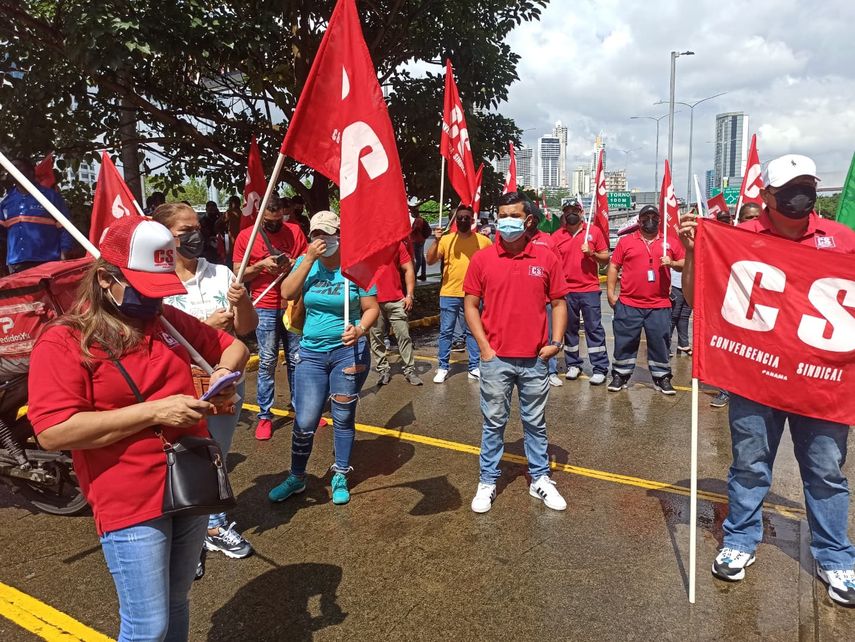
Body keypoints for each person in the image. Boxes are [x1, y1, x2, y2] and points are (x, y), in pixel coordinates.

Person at [27, 215, 249, 641]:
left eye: (159, 290)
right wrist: (154, 413)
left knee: (178, 600)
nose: (154, 302)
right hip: (127, 497)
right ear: (107, 279)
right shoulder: (64, 342)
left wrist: (221, 376)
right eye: (145, 290)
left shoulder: (164, 323)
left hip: (190, 479)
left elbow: (234, 344)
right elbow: (53, 431)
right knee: (148, 626)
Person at [678, 153, 855, 606]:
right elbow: (701, 303)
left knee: (825, 472)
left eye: (807, 186)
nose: (803, 196)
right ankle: (739, 540)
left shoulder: (842, 240)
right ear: (767, 197)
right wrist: (697, 251)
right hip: (756, 379)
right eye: (790, 188)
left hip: (822, 383)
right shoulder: (737, 239)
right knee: (750, 465)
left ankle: (835, 557)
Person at [154, 203, 258, 567]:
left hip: (225, 386)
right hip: (179, 388)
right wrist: (209, 326)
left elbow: (246, 329)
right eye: (185, 230)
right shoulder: (157, 281)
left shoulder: (221, 274)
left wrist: (242, 301)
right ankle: (189, 541)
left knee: (217, 458)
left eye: (197, 227)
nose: (196, 235)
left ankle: (212, 526)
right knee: (182, 462)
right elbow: (157, 340)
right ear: (166, 236)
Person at [464, 192, 570, 513]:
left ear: (527, 220)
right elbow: (469, 305)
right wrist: (484, 347)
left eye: (513, 215)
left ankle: (540, 478)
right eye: (502, 215)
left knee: (534, 421)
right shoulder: (482, 259)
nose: (505, 221)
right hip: (496, 359)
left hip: (535, 359)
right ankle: (487, 481)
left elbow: (559, 302)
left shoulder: (545, 257)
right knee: (494, 422)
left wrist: (556, 341)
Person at [268, 211, 379, 506]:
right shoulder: (309, 266)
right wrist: (306, 260)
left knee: (343, 415)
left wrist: (360, 328)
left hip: (348, 352)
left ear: (340, 235)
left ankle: (340, 472)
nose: (323, 240)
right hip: (311, 352)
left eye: (328, 234)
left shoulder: (356, 267)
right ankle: (297, 477)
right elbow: (286, 293)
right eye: (317, 234)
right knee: (305, 420)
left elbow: (371, 308)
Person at [233, 194, 308, 440]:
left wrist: (296, 263)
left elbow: (310, 262)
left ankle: (302, 410)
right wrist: (261, 266)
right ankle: (264, 415)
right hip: (263, 305)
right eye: (269, 221)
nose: (274, 225)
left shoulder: (295, 231)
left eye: (278, 220)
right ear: (260, 216)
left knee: (297, 359)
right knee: (267, 361)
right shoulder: (247, 236)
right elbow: (238, 274)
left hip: (292, 304)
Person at [606, 205, 685, 395]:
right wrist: (610, 293)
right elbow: (614, 267)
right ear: (639, 220)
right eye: (646, 216)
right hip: (629, 303)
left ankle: (662, 377)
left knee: (660, 342)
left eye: (654, 216)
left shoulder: (670, 242)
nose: (650, 220)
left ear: (659, 220)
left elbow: (684, 263)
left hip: (659, 304)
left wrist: (672, 263)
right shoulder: (626, 242)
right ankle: (620, 375)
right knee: (624, 342)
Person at [426, 204, 492, 383]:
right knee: (446, 332)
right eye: (460, 217)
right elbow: (430, 260)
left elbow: (492, 265)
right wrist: (436, 240)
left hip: (473, 294)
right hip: (449, 293)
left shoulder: (483, 241)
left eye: (466, 218)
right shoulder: (446, 240)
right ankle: (442, 367)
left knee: (473, 331)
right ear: (455, 220)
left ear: (472, 220)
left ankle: (474, 366)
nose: (463, 220)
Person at [551, 198, 611, 385]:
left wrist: (591, 253)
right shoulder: (556, 236)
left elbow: (605, 258)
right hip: (566, 290)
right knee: (569, 330)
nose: (571, 213)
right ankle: (573, 364)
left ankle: (600, 367)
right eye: (567, 210)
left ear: (581, 212)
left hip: (589, 290)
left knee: (594, 328)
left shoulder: (593, 232)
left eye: (574, 210)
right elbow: (552, 265)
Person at [0, 158, 75, 273]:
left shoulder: (50, 196)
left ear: (31, 172)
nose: (13, 170)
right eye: (11, 167)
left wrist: (65, 251)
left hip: (47, 260)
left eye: (18, 166)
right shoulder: (6, 202)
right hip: (16, 263)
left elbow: (66, 226)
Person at [368, 241, 422, 386]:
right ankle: (383, 370)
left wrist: (410, 295)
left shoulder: (397, 245)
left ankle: (409, 370)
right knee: (376, 338)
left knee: (404, 336)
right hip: (372, 301)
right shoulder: (366, 245)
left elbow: (409, 269)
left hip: (397, 300)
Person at [410, 206, 431, 281]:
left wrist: (409, 232)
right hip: (421, 240)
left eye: (411, 213)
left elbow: (416, 229)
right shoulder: (420, 219)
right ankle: (423, 274)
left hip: (417, 241)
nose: (411, 214)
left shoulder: (418, 220)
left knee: (418, 259)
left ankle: (414, 274)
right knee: (421, 258)